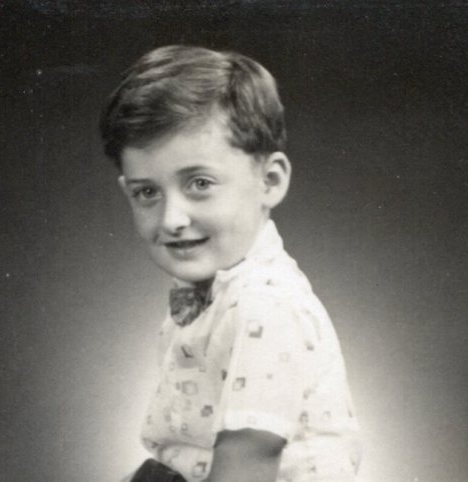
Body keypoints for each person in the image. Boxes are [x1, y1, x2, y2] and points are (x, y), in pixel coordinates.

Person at [100, 45, 361, 482]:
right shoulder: (216, 295)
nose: (171, 219)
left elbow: (247, 464)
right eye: (147, 192)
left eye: (199, 183)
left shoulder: (265, 306)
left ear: (270, 181)